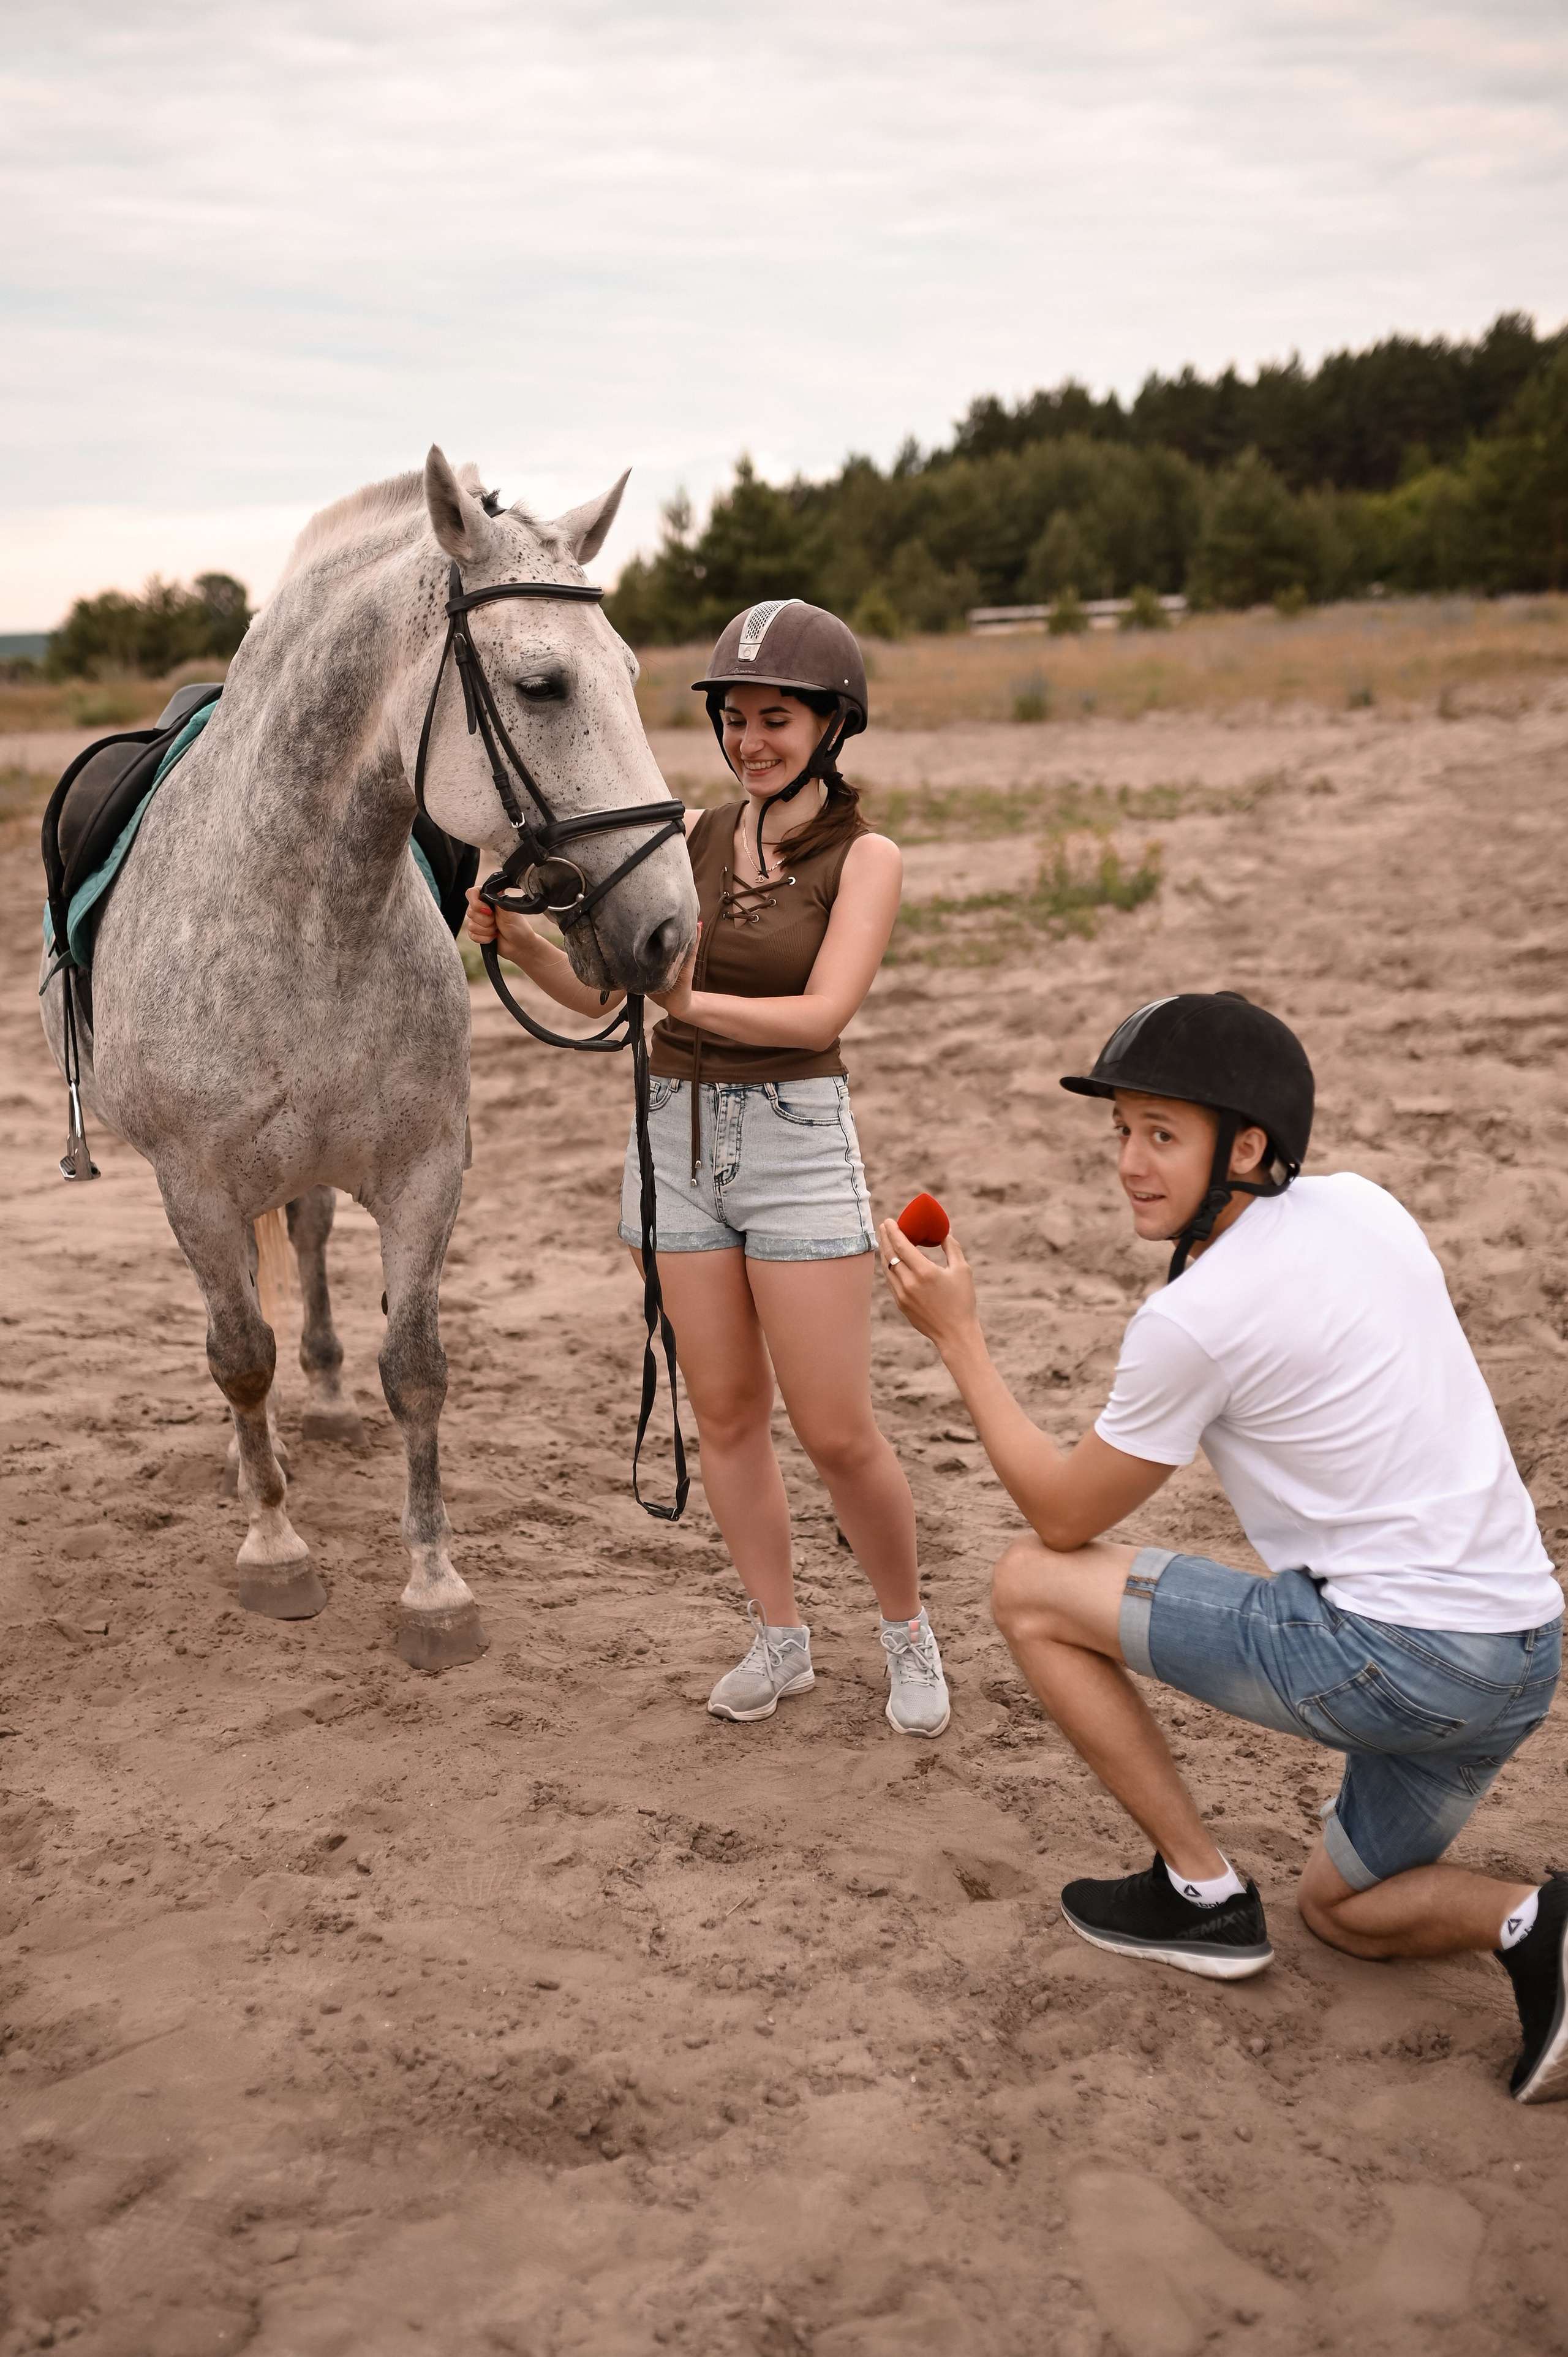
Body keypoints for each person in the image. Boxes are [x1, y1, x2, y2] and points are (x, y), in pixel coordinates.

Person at [876, 990, 1566, 2103]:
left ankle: (1199, 1894)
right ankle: (1540, 1925)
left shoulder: (1195, 1318)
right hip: (1524, 1645)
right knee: (1339, 1914)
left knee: (1030, 1585)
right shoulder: (1364, 1205)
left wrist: (960, 1340)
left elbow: (1062, 1517)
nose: (1130, 1165)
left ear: (1247, 1147)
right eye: (1122, 1132)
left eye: (1162, 1135)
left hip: (1402, 1658)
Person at [467, 597, 949, 1737]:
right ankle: (781, 1638)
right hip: (674, 1138)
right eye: (733, 720)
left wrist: (687, 999)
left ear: (835, 721)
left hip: (792, 1140)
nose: (748, 742)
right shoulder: (687, 836)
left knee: (836, 1430)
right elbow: (602, 996)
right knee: (726, 1413)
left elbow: (824, 1012)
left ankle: (905, 1630)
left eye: (774, 718)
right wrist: (523, 941)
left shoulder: (867, 859)